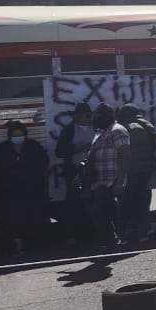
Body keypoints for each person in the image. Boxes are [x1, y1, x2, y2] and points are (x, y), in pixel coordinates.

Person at [0, 121, 49, 255]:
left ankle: (35, 243)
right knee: (14, 219)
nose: (17, 137)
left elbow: (43, 162)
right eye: (15, 135)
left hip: (31, 190)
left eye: (20, 134)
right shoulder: (2, 149)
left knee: (33, 216)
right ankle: (18, 244)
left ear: (25, 135)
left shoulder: (33, 147)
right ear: (9, 136)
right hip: (10, 192)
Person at [87, 104, 130, 251]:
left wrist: (121, 182)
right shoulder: (101, 132)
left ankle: (114, 242)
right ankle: (111, 241)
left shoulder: (117, 131)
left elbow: (125, 156)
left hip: (112, 181)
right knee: (101, 212)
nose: (97, 118)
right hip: (100, 181)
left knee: (105, 212)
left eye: (100, 115)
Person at [55, 103, 96, 244]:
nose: (86, 117)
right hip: (74, 172)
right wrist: (76, 147)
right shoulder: (69, 130)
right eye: (84, 115)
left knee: (93, 202)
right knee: (73, 204)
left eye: (88, 115)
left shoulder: (95, 128)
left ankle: (93, 232)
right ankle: (72, 235)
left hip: (93, 171)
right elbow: (59, 151)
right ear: (77, 115)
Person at [116, 105, 156, 244]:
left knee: (127, 202)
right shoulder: (147, 126)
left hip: (132, 170)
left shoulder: (126, 128)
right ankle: (144, 232)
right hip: (147, 169)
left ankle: (125, 234)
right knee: (144, 202)